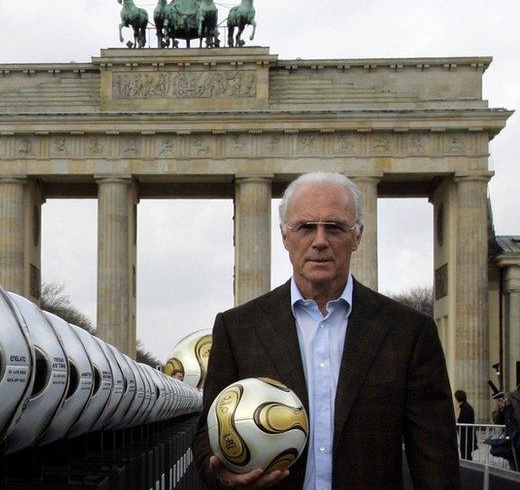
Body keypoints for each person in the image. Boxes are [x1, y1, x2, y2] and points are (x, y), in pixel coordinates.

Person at [194, 172, 460, 489]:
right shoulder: (237, 329)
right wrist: (221, 474)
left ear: (357, 235)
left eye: (334, 227)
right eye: (306, 227)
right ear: (285, 236)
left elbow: (435, 460)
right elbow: (206, 437)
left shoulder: (409, 332)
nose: (320, 241)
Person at [492, 386, 520, 469]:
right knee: (515, 470)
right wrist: (502, 408)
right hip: (515, 440)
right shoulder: (509, 397)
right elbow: (497, 420)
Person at [455, 390, 477, 460]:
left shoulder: (465, 408)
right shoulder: (465, 407)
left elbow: (464, 423)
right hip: (465, 437)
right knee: (465, 455)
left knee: (466, 456)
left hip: (467, 437)